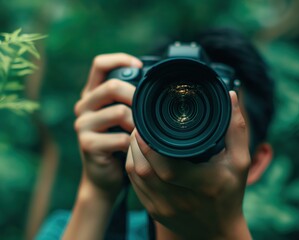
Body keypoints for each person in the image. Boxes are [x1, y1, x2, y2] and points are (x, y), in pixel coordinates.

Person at [36, 28, 274, 240]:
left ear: (255, 162)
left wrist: (226, 231)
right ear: (136, 109)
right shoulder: (67, 229)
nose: (188, 128)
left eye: (216, 116)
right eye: (170, 104)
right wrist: (97, 193)